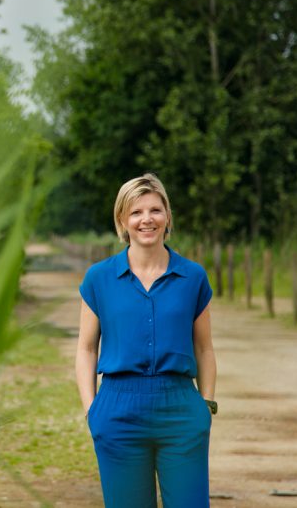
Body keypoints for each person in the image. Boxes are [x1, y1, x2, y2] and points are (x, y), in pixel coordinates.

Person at [75, 173, 217, 507]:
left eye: (155, 210)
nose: (146, 219)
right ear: (122, 220)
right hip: (117, 409)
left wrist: (206, 405)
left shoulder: (192, 276)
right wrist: (91, 410)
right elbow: (85, 348)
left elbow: (204, 347)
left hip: (180, 408)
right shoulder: (99, 278)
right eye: (136, 212)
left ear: (167, 216)